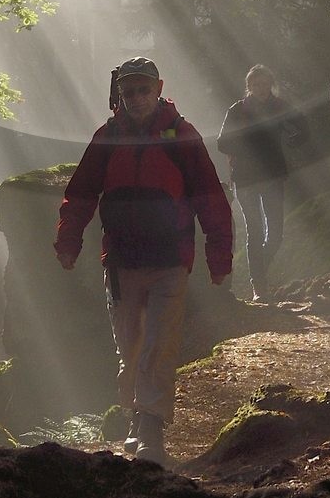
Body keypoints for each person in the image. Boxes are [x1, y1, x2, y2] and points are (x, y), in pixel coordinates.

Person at [54, 56, 232, 465]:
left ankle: (151, 430)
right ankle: (137, 417)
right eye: (128, 91)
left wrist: (218, 255)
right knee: (130, 347)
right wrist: (69, 240)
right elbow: (80, 193)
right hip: (120, 261)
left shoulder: (181, 135)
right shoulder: (107, 137)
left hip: (170, 259)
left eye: (143, 89)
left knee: (160, 344)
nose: (136, 98)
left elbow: (210, 197)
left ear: (159, 88)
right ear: (120, 94)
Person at [217, 64, 291, 300]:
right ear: (249, 87)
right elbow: (222, 143)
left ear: (271, 84)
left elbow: (300, 129)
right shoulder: (237, 110)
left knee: (276, 233)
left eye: (265, 84)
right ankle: (258, 287)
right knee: (255, 232)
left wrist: (293, 138)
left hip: (272, 176)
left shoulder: (280, 107)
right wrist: (248, 146)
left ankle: (259, 271)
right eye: (256, 84)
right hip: (245, 178)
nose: (261, 88)